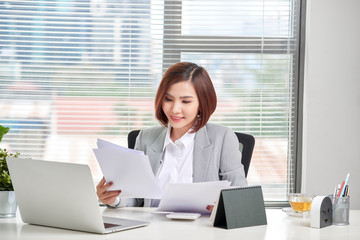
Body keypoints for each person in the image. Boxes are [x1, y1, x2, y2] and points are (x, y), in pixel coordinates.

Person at [96, 62, 247, 208]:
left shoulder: (222, 137)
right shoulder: (145, 138)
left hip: (201, 231)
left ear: (202, 103)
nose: (175, 109)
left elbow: (240, 198)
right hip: (152, 230)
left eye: (186, 101)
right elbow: (136, 199)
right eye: (168, 99)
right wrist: (114, 199)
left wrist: (223, 209)